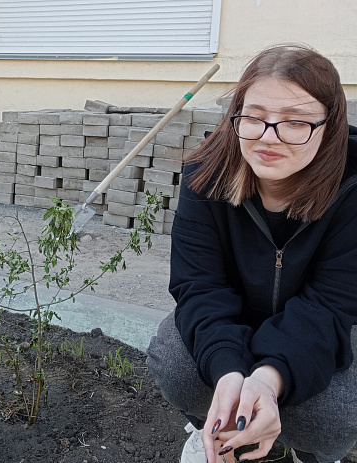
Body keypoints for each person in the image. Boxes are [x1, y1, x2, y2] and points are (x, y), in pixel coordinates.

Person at [146, 45, 357, 463]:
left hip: (321, 328)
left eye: (295, 122)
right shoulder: (205, 177)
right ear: (235, 116)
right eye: (255, 117)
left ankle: (293, 444)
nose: (268, 137)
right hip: (236, 316)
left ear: (329, 127)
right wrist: (227, 370)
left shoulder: (351, 191)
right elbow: (199, 287)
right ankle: (216, 422)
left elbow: (331, 305)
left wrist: (268, 378)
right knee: (177, 367)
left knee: (333, 421)